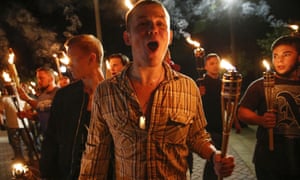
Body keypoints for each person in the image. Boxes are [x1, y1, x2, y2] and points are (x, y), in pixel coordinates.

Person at [79, 1, 235, 179]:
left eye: (160, 23)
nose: (153, 29)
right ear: (127, 37)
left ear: (169, 36)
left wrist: (213, 155)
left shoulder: (188, 87)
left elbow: (196, 136)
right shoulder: (106, 92)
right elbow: (96, 154)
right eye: (143, 23)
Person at [39, 34, 104, 179]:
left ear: (91, 59)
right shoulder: (64, 97)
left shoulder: (115, 96)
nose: (69, 65)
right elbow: (51, 139)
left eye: (73, 58)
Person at [237, 35, 300, 180]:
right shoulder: (262, 84)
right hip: (270, 161)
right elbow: (242, 111)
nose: (279, 60)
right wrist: (260, 120)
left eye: (287, 54)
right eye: (275, 55)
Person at [17, 67, 59, 137]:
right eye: (38, 78)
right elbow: (41, 115)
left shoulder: (60, 93)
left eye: (41, 78)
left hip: (59, 135)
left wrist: (27, 99)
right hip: (47, 136)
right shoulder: (42, 96)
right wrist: (27, 115)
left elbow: (53, 110)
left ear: (51, 79)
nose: (39, 81)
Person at [0, 83, 34, 163]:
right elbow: (1, 111)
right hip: (11, 125)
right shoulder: (4, 99)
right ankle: (20, 160)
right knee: (16, 145)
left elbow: (28, 108)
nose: (11, 89)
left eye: (12, 87)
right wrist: (1, 122)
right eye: (8, 87)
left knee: (29, 142)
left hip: (24, 125)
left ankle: (31, 157)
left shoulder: (22, 97)